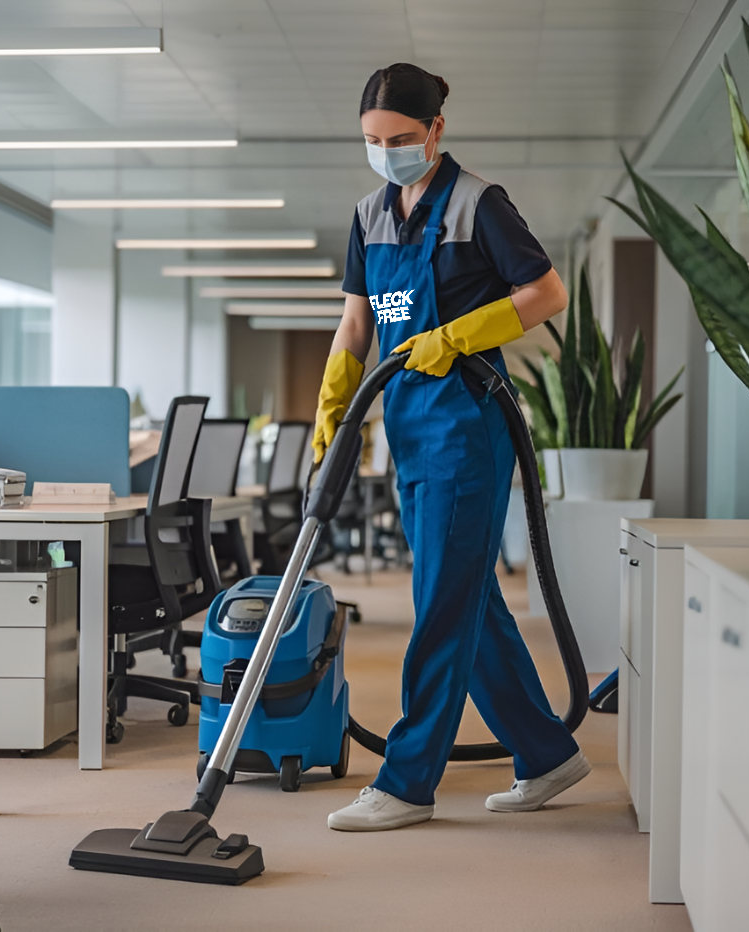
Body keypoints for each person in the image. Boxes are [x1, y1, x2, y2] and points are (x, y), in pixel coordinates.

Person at [314, 63, 591, 832]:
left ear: (435, 130)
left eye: (401, 138)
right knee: (466, 596)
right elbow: (355, 323)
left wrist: (457, 335)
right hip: (407, 426)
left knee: (438, 599)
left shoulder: (478, 204)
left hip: (467, 427)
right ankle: (545, 753)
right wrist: (334, 402)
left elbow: (546, 293)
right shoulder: (369, 214)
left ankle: (406, 782)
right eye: (373, 140)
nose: (387, 151)